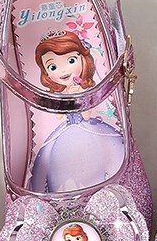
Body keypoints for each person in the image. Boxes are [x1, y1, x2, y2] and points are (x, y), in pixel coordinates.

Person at [28, 30, 124, 192]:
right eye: (53, 67)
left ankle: (106, 187)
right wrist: (64, 101)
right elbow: (59, 116)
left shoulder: (82, 89)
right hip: (66, 132)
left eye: (71, 60)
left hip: (88, 128)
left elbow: (86, 115)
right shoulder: (61, 93)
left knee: (104, 152)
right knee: (56, 160)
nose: (63, 71)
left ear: (83, 59)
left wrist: (80, 97)